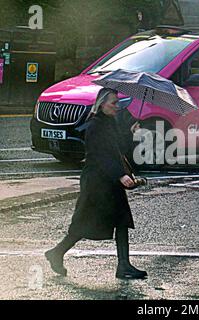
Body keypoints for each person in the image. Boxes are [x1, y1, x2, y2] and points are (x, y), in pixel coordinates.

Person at [45, 88, 147, 280]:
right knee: (84, 223)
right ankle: (57, 252)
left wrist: (131, 133)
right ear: (102, 104)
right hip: (97, 183)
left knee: (122, 220)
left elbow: (119, 150)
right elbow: (98, 155)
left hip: (109, 182)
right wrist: (119, 175)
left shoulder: (110, 123)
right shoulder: (94, 125)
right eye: (113, 103)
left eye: (117, 102)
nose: (117, 106)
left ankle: (124, 266)